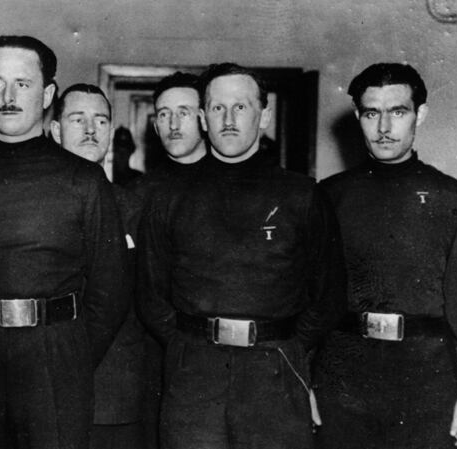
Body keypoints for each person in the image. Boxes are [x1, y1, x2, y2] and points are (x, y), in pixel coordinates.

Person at [0, 35, 129, 449]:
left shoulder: (84, 181)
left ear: (47, 94)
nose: (8, 97)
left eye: (23, 84)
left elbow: (111, 289)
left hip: (56, 358)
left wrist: (71, 356)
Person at [137, 62, 345, 449]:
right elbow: (152, 295)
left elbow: (328, 296)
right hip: (194, 374)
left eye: (241, 107)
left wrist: (285, 347)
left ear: (264, 115)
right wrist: (189, 345)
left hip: (275, 370)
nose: (229, 119)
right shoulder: (169, 197)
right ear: (203, 118)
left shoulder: (302, 195)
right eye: (218, 108)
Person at [312, 63, 457, 449]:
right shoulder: (328, 197)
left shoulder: (453, 199)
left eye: (397, 112)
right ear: (357, 116)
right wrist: (305, 381)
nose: (383, 127)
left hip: (429, 380)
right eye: (371, 113)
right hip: (343, 378)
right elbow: (310, 300)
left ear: (420, 115)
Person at [50, 83, 146, 449]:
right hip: (44, 389)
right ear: (55, 129)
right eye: (78, 119)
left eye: (101, 120)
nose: (91, 130)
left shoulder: (134, 208)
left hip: (114, 393)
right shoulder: (35, 203)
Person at [129, 71, 207, 203]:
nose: (173, 125)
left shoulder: (233, 183)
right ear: (156, 127)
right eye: (164, 115)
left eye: (183, 113)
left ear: (204, 119)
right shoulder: (138, 193)